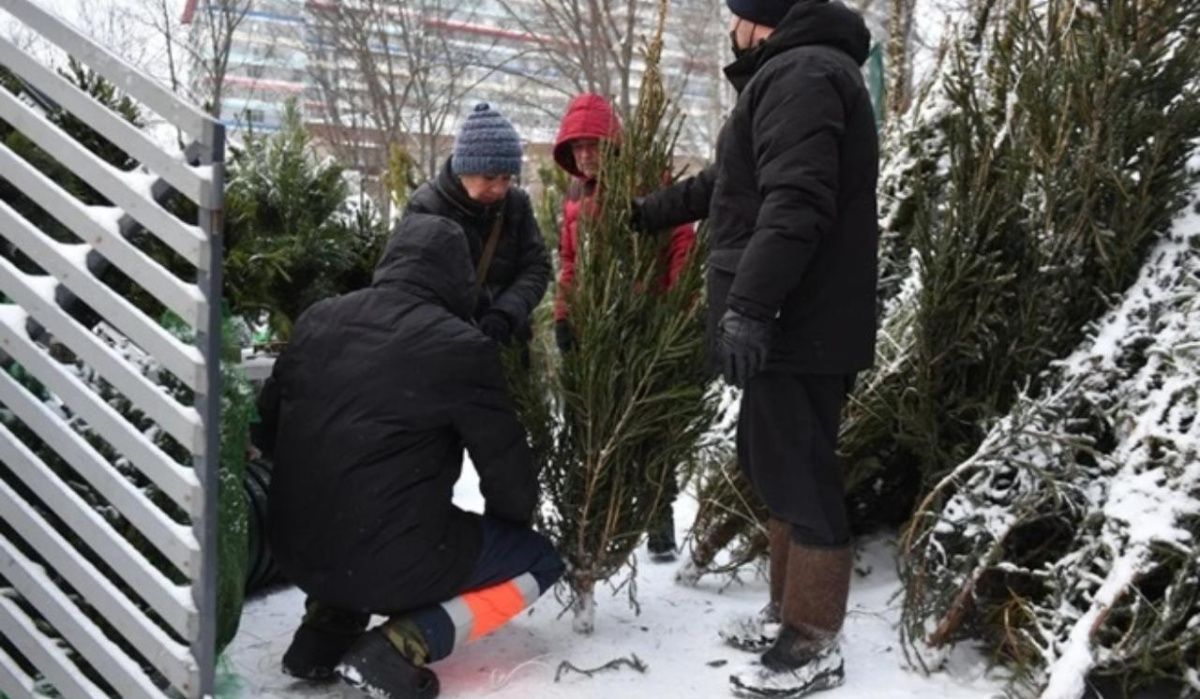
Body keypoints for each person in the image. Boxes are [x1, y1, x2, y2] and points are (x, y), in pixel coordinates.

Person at [635, 0, 879, 696]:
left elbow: (794, 201)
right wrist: (651, 211)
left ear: (755, 21)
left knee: (800, 472)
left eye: (735, 16)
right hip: (794, 322)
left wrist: (749, 306)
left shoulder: (800, 74)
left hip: (797, 322)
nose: (729, 29)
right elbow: (732, 184)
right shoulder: (793, 74)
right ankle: (787, 610)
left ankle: (813, 636)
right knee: (773, 462)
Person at [257, 214, 564, 699]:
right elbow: (504, 467)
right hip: (386, 557)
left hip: (292, 546)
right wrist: (510, 530)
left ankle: (323, 634)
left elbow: (270, 425)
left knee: (361, 523)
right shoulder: (459, 346)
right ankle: (403, 644)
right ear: (460, 278)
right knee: (541, 562)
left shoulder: (319, 318)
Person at [551, 92, 697, 562]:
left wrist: (675, 304)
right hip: (597, 327)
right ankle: (603, 520)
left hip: (646, 320)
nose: (585, 156)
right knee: (601, 424)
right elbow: (571, 261)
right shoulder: (576, 197)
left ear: (612, 144)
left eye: (593, 145)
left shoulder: (647, 183)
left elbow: (680, 243)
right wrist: (564, 316)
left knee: (651, 423)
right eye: (576, 149)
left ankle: (659, 521)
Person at [404, 103, 550, 349]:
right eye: (490, 177)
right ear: (464, 169)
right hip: (443, 346)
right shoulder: (426, 206)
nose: (500, 189)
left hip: (506, 342)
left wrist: (506, 313)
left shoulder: (516, 204)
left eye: (507, 178)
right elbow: (410, 284)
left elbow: (536, 267)